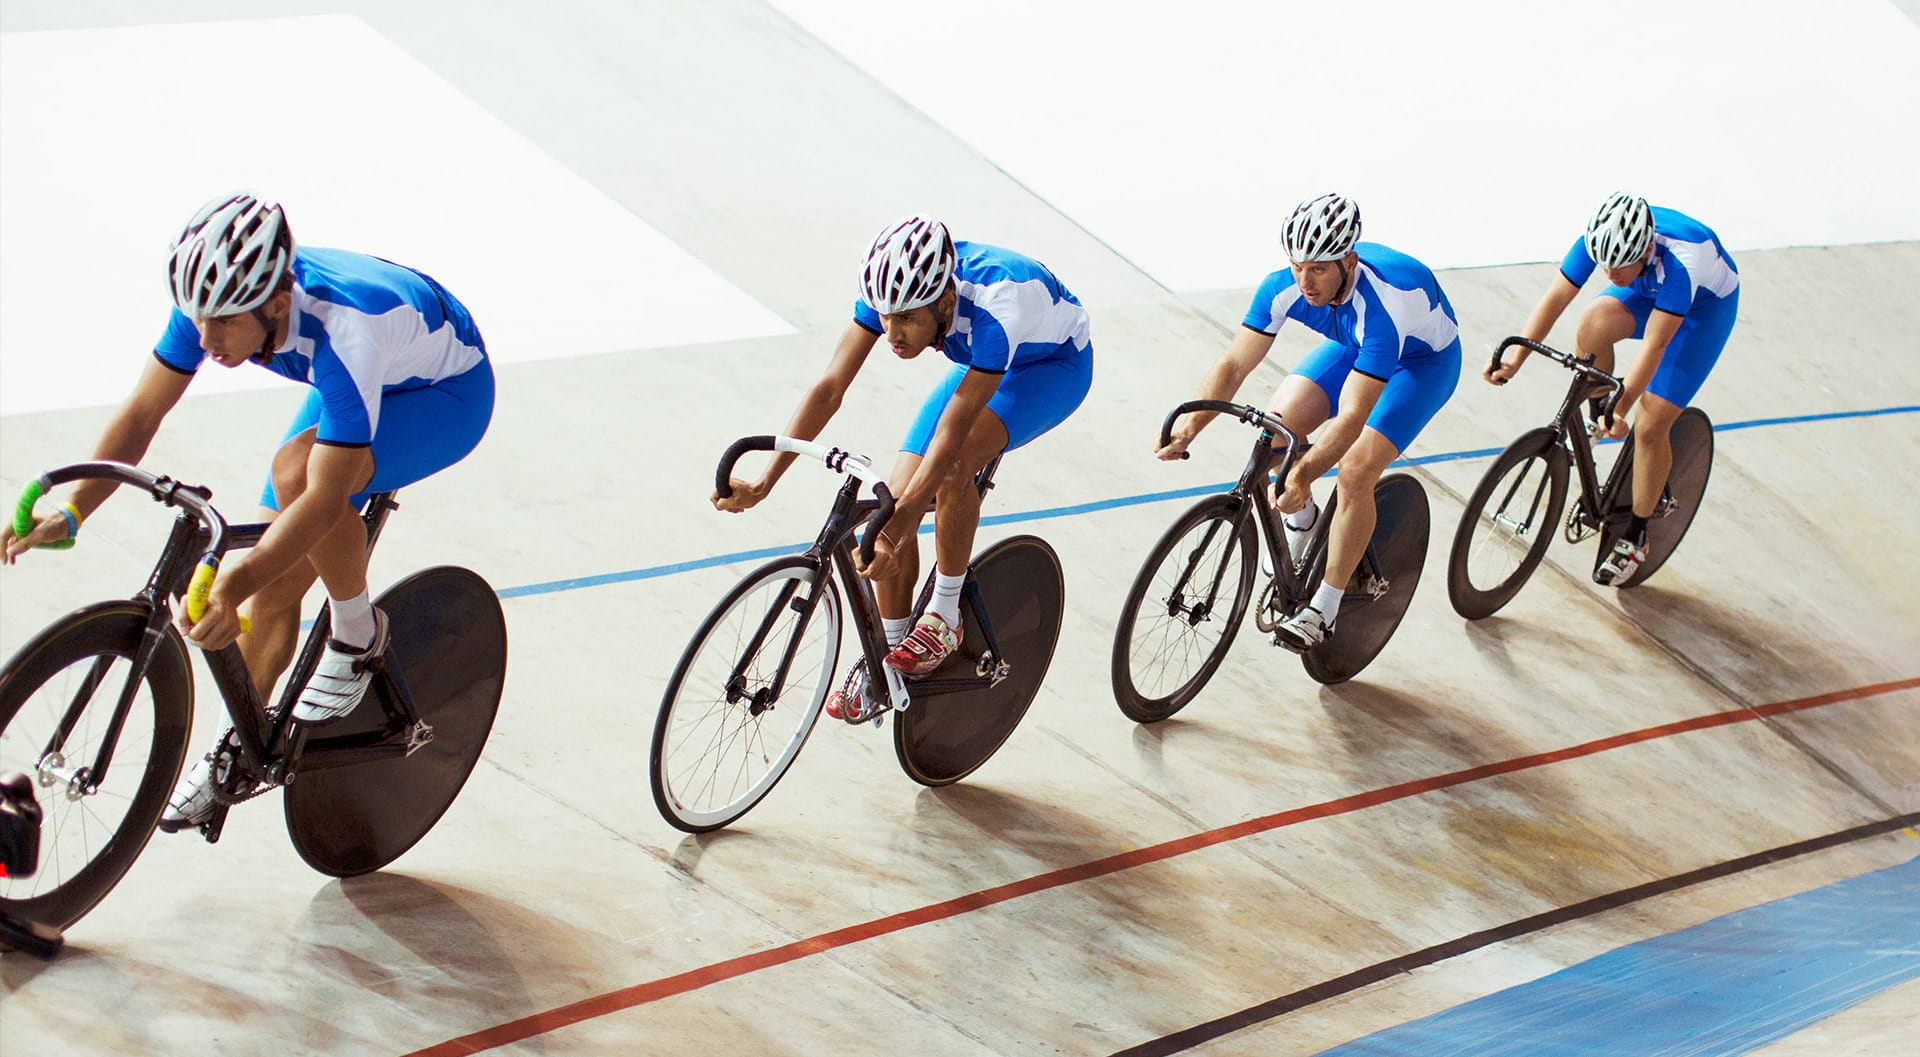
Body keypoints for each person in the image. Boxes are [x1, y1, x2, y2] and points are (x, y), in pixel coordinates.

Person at [1, 192, 494, 827]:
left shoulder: (348, 331)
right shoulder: (216, 307)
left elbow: (322, 497)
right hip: (355, 383)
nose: (205, 341)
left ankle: (357, 631)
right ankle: (240, 752)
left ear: (277, 303)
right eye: (197, 320)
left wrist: (234, 577)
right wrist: (73, 513)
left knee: (296, 481)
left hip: (443, 395)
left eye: (224, 325)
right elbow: (143, 411)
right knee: (274, 583)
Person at [713, 214, 1093, 720]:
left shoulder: (996, 306)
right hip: (978, 360)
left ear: (945, 302)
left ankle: (945, 613)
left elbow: (952, 437)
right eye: (885, 317)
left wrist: (900, 529)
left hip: (1051, 368)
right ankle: (889, 667)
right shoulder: (894, 292)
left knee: (954, 467)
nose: (892, 333)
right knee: (890, 504)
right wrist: (766, 479)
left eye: (908, 319)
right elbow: (830, 388)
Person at [1156, 193, 1460, 650]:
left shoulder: (1384, 307)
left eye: (1318, 268)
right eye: (1298, 266)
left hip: (1420, 365)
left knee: (1356, 470)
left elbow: (1355, 415)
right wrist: (1192, 425)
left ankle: (1325, 609)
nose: (1305, 280)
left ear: (1348, 261)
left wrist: (1304, 472)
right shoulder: (1282, 286)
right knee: (1276, 429)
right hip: (1352, 348)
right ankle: (1305, 524)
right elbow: (1235, 363)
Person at [1487, 192, 1738, 585]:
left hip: (1701, 314)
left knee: (1651, 421)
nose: (1610, 274)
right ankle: (1596, 413)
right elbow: (1556, 297)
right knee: (1593, 323)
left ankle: (1637, 536)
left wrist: (1622, 408)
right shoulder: (1600, 238)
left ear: (1647, 248)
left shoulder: (1683, 260)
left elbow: (1656, 345)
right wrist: (1516, 357)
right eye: (1605, 264)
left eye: (1620, 265)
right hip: (1649, 291)